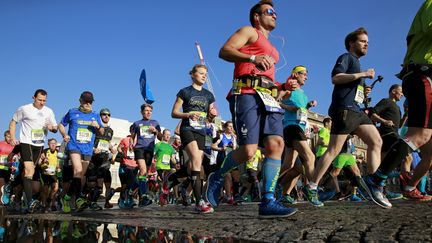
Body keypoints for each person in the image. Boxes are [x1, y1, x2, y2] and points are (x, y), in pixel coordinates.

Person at [205, 0, 297, 217]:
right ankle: (218, 176)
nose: (275, 15)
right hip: (246, 93)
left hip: (268, 97)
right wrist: (252, 57)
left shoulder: (273, 51)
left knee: (277, 144)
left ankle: (268, 201)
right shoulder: (249, 31)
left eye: (276, 12)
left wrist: (284, 86)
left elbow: (267, 79)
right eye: (270, 12)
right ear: (257, 16)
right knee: (249, 151)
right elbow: (224, 51)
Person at [302, 27, 390, 208]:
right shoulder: (346, 57)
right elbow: (336, 78)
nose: (366, 44)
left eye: (368, 42)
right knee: (333, 150)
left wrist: (364, 91)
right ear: (352, 43)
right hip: (344, 110)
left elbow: (353, 89)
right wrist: (362, 74)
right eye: (362, 41)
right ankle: (312, 186)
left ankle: (375, 185)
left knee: (376, 141)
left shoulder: (357, 63)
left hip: (357, 110)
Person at [373, 0, 432, 201]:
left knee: (429, 151)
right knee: (420, 135)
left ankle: (410, 187)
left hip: (421, 77)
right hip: (422, 76)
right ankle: (376, 180)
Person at [171, 64, 216, 213]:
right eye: (201, 73)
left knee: (193, 166)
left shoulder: (209, 95)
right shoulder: (185, 92)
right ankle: (199, 202)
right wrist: (188, 114)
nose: (204, 76)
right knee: (196, 159)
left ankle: (171, 181)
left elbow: (210, 118)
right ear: (193, 75)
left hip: (201, 131)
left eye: (205, 74)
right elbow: (174, 112)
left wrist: (212, 115)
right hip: (187, 128)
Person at [9, 89, 58, 212]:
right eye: (39, 100)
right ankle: (30, 202)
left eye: (44, 101)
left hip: (39, 144)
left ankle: (12, 187)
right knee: (29, 170)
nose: (42, 103)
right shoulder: (24, 109)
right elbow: (13, 122)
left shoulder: (49, 111)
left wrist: (51, 127)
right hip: (26, 142)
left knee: (28, 173)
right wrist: (13, 137)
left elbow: (55, 128)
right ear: (34, 98)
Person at [277, 65, 318, 205]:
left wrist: (308, 106)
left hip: (298, 127)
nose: (306, 76)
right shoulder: (289, 87)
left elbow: (301, 111)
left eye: (307, 74)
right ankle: (312, 190)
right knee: (310, 157)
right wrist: (289, 107)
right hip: (291, 126)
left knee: (293, 166)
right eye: (303, 74)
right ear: (295, 74)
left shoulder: (303, 93)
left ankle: (279, 190)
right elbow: (277, 101)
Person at [58, 91, 104, 213]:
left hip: (87, 149)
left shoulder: (95, 115)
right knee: (77, 171)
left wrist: (98, 127)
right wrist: (64, 135)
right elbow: (61, 125)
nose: (88, 103)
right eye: (86, 101)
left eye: (90, 101)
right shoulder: (73, 112)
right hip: (74, 146)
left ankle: (67, 197)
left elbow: (102, 132)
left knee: (79, 175)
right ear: (80, 101)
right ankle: (79, 199)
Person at [369, 84, 404, 199]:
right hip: (388, 134)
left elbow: (399, 125)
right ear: (394, 91)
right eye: (401, 91)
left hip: (394, 133)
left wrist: (407, 115)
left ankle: (381, 190)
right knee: (406, 155)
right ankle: (408, 187)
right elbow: (372, 114)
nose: (402, 94)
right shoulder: (386, 101)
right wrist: (384, 121)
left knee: (384, 164)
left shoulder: (398, 108)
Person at [131, 103, 161, 207]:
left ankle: (130, 190)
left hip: (149, 150)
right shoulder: (136, 123)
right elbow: (132, 136)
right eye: (146, 110)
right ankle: (144, 197)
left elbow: (161, 137)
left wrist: (156, 131)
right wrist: (131, 143)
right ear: (142, 112)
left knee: (143, 175)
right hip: (139, 149)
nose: (148, 113)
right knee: (143, 171)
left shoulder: (155, 122)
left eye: (150, 111)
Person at [87, 108, 116, 210]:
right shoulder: (94, 128)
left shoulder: (110, 131)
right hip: (93, 158)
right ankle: (87, 199)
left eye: (108, 114)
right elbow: (88, 141)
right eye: (104, 114)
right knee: (91, 184)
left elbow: (107, 142)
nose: (106, 116)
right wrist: (93, 149)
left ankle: (93, 203)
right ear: (100, 116)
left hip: (104, 160)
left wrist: (111, 148)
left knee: (100, 184)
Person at [40, 138, 60, 211]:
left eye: (54, 143)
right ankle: (44, 205)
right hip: (45, 173)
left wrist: (58, 167)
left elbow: (59, 163)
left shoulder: (58, 152)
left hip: (54, 173)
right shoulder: (45, 151)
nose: (53, 144)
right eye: (51, 143)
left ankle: (52, 203)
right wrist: (43, 164)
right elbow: (40, 162)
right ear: (48, 144)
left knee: (55, 188)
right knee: (45, 190)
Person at [0, 131, 14, 205]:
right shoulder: (0, 144)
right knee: (1, 185)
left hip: (9, 168)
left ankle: (6, 201)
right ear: (5, 136)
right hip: (1, 167)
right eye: (8, 137)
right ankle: (1, 203)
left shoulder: (13, 146)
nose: (9, 139)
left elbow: (16, 157)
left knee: (7, 187)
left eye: (11, 137)